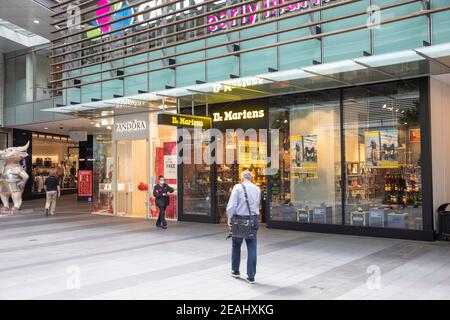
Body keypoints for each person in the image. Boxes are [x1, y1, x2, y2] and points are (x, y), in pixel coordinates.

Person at [226, 170, 261, 284]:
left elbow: (231, 206)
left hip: (239, 220)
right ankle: (251, 276)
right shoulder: (257, 188)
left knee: (236, 245)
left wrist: (229, 218)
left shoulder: (237, 187)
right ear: (251, 177)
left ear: (242, 177)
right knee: (252, 246)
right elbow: (257, 205)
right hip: (253, 219)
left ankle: (235, 270)